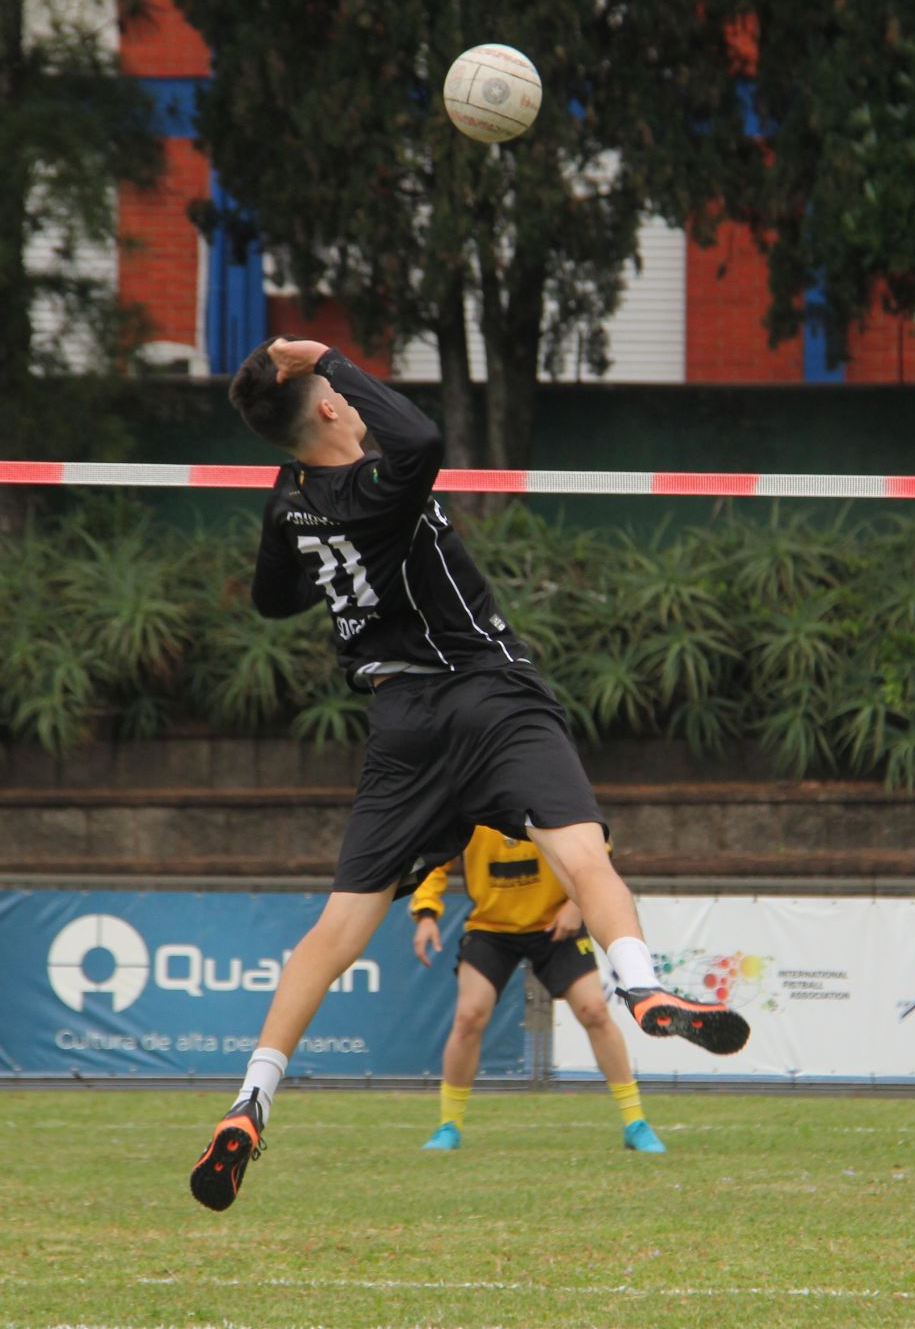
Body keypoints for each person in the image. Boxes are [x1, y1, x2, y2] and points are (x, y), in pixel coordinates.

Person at [189, 337, 748, 1213]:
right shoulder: (385, 482)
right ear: (332, 408)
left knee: (333, 934)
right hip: (489, 697)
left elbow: (270, 598)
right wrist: (331, 357)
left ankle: (251, 1098)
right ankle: (638, 985)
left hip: (400, 726)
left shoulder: (292, 502)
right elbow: (422, 440)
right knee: (587, 855)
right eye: (341, 393)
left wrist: (338, 570)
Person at [412, 825, 666, 1154]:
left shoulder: (544, 795)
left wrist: (576, 905)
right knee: (469, 1017)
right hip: (491, 929)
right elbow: (433, 856)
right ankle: (448, 1126)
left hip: (555, 924)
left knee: (595, 1011)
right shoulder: (470, 803)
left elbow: (595, 851)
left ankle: (636, 1123)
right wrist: (426, 913)